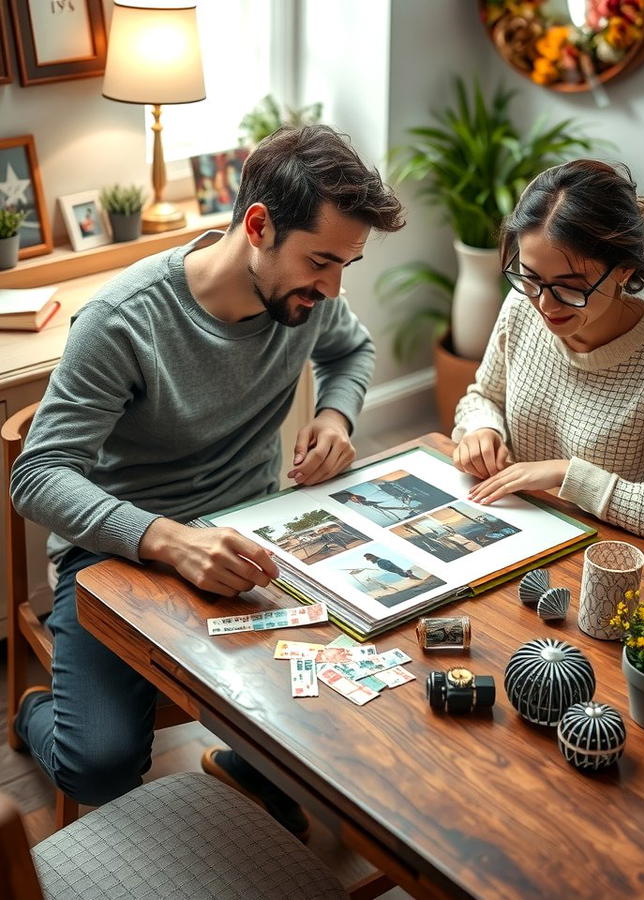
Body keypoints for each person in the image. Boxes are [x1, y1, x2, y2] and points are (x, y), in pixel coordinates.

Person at [10, 124, 404, 839]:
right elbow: (37, 475)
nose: (333, 287)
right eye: (322, 261)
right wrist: (168, 541)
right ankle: (35, 713)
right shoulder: (124, 321)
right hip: (122, 552)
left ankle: (252, 762)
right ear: (258, 226)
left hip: (262, 536)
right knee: (98, 764)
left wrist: (339, 419)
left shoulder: (308, 298)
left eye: (347, 264)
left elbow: (352, 349)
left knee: (370, 691)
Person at [453, 159, 644, 554]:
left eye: (570, 286)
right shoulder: (521, 306)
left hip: (610, 560)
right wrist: (481, 430)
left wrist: (568, 475)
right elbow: (483, 396)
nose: (545, 304)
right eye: (530, 277)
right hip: (519, 533)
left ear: (624, 271)